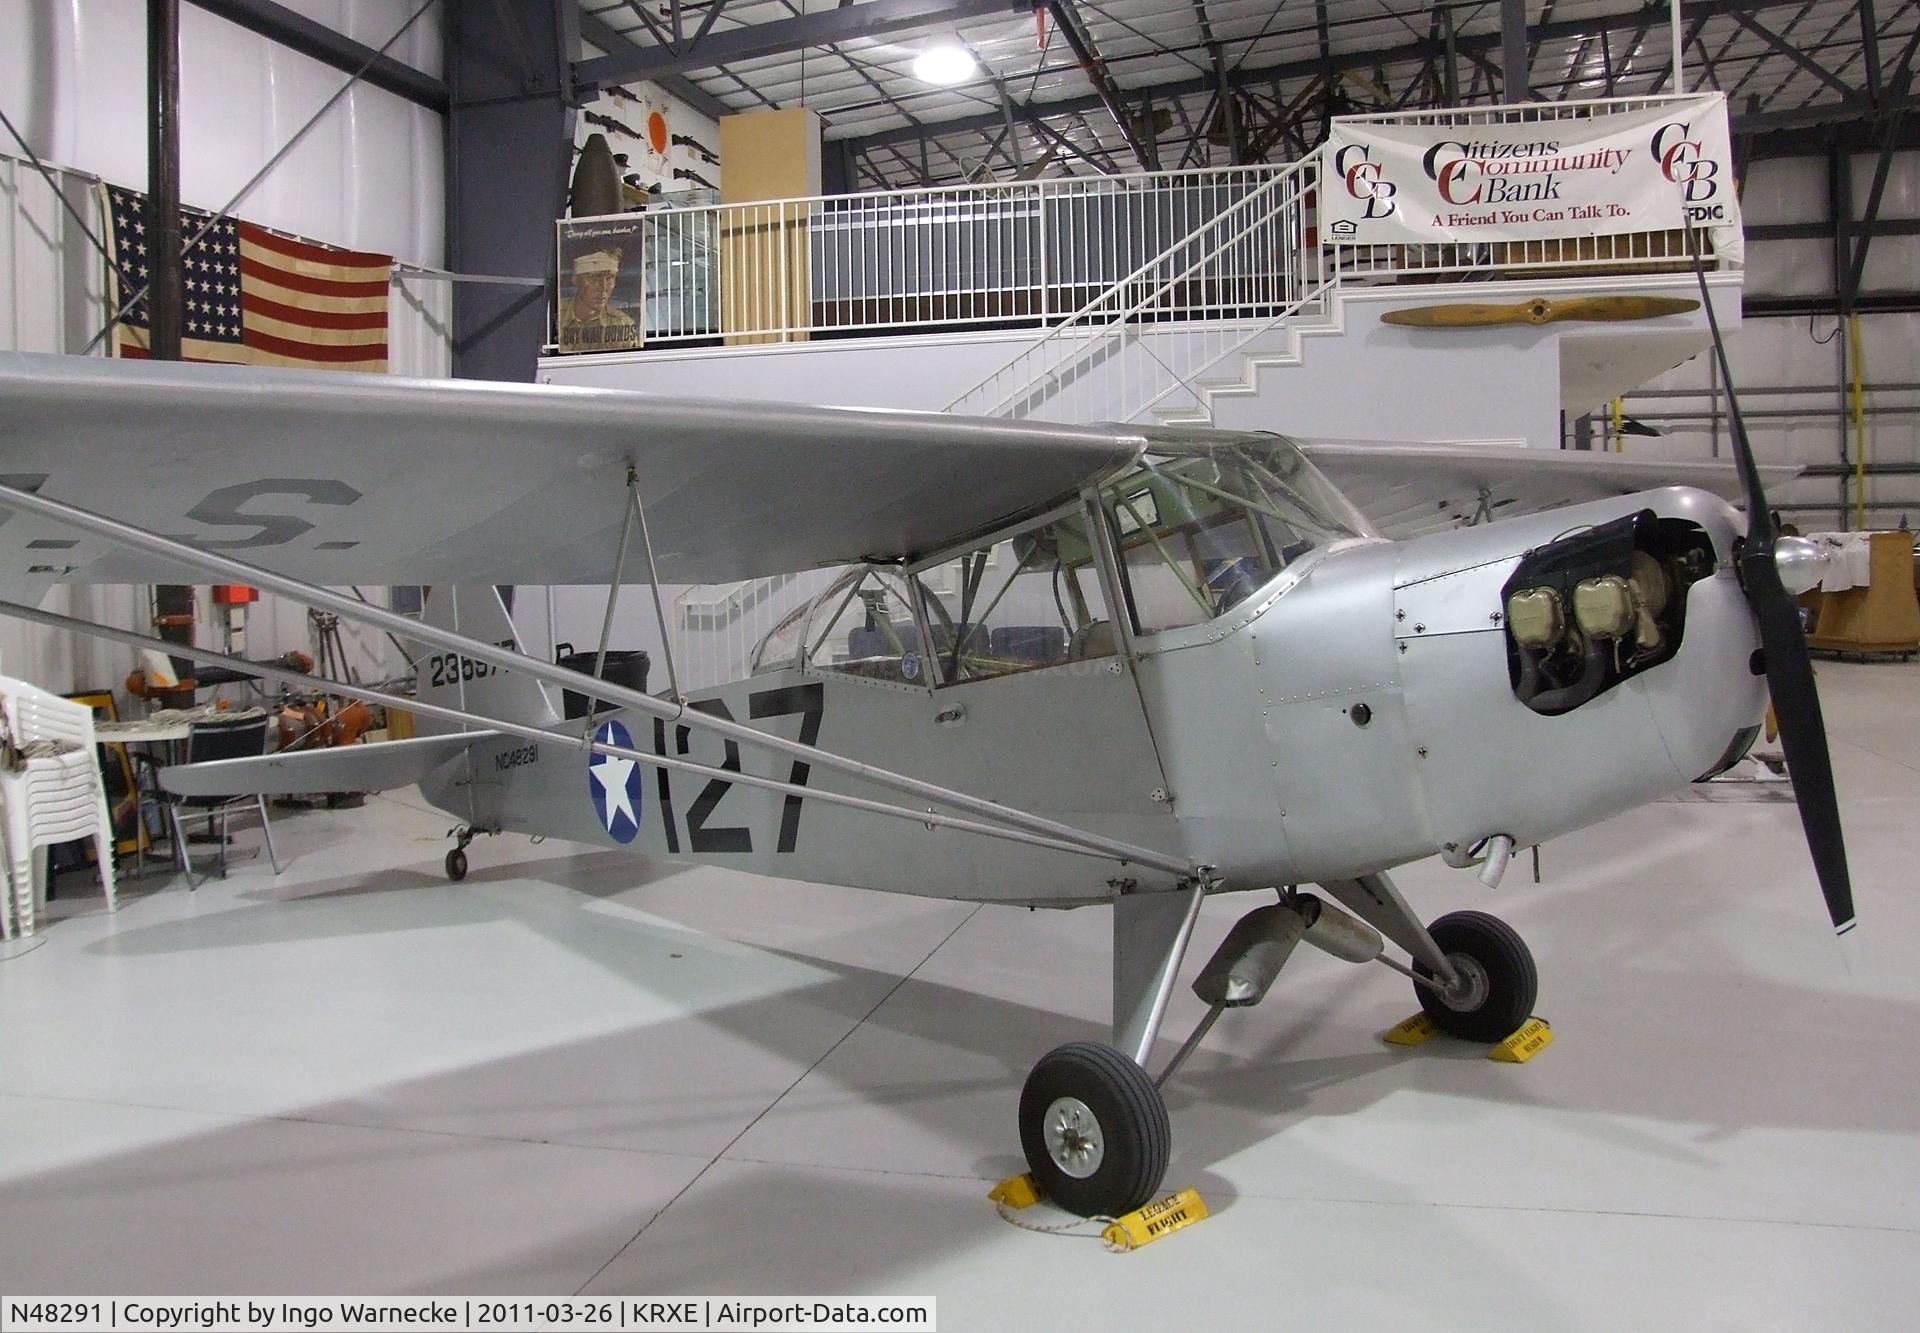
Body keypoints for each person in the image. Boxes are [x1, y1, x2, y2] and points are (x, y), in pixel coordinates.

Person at [558, 248, 640, 352]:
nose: (603, 288)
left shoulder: (623, 323)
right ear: (575, 280)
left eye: (610, 278)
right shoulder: (556, 316)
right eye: (594, 278)